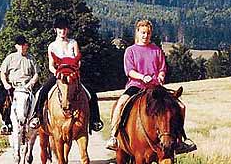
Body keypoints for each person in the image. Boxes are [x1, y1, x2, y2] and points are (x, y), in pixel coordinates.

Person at [105, 19, 197, 154]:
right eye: (143, 33)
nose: (145, 36)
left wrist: (160, 76)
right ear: (137, 32)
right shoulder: (130, 51)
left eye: (148, 33)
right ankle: (113, 137)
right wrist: (142, 77)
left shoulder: (157, 50)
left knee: (181, 106)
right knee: (121, 103)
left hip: (155, 87)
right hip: (136, 85)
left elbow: (162, 68)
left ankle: (179, 140)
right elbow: (129, 71)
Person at [29, 16, 103, 132]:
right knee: (42, 92)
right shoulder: (52, 46)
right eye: (60, 29)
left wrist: (74, 71)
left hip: (73, 74)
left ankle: (95, 120)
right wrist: (57, 73)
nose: (62, 31)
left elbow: (78, 61)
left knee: (91, 93)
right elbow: (51, 65)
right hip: (58, 74)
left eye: (64, 29)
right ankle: (36, 117)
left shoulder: (73, 43)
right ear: (55, 30)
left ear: (67, 30)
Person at [0, 35, 39, 135]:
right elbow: (3, 73)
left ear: (26, 46)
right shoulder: (10, 58)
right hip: (13, 86)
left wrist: (31, 83)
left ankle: (36, 119)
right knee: (2, 101)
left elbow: (36, 74)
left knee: (38, 99)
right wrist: (5, 83)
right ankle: (6, 123)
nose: (21, 47)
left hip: (27, 86)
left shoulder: (31, 59)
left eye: (23, 45)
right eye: (19, 45)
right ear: (16, 46)